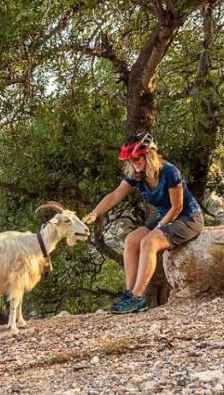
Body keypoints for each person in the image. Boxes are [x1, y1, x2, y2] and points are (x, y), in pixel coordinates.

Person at [85, 132, 204, 314]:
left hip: (188, 217)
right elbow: (116, 195)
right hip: (167, 216)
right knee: (132, 240)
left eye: (137, 158)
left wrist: (158, 229)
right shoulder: (137, 174)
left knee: (149, 242)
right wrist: (95, 213)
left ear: (149, 154)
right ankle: (129, 294)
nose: (134, 163)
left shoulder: (170, 172)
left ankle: (138, 297)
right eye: (131, 160)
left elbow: (177, 207)